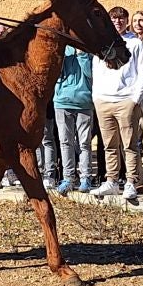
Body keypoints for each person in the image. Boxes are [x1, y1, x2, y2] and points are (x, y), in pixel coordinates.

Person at [91, 6, 143, 201]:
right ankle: (112, 180)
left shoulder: (135, 44)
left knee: (130, 144)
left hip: (126, 100)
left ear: (126, 21)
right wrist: (96, 97)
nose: (118, 22)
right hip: (103, 100)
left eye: (122, 19)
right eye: (114, 18)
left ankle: (132, 181)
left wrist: (135, 99)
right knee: (109, 145)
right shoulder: (101, 43)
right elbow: (96, 71)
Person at [50, 44, 95, 195]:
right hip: (62, 101)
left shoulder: (88, 49)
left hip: (84, 101)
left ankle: (85, 178)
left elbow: (91, 74)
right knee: (65, 141)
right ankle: (68, 178)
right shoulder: (62, 49)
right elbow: (54, 73)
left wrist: (82, 55)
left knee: (84, 142)